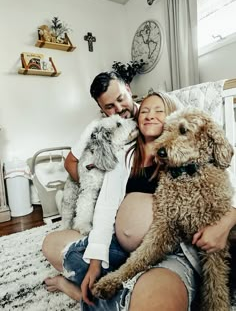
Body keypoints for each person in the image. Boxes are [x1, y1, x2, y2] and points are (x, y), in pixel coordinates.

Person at [42, 90, 236, 311]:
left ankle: (84, 294)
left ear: (172, 116)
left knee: (157, 303)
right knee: (51, 244)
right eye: (144, 110)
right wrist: (96, 261)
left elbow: (228, 190)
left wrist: (226, 221)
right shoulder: (125, 153)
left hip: (171, 253)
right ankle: (124, 290)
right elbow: (105, 208)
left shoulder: (191, 159)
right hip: (122, 250)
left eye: (158, 110)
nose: (150, 115)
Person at [64, 71, 139, 182]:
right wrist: (90, 189)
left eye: (120, 99)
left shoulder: (151, 114)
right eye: (109, 106)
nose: (119, 109)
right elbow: (70, 163)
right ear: (102, 109)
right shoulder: (97, 127)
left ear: (128, 90)